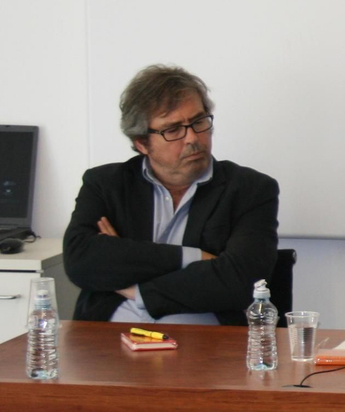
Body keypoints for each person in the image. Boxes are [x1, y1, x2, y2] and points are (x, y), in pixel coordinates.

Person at [63, 65, 279, 325]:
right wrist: (193, 258)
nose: (192, 138)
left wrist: (134, 287)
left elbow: (241, 282)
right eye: (173, 129)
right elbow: (80, 262)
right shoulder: (105, 184)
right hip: (110, 338)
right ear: (142, 143)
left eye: (199, 122)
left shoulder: (250, 189)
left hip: (204, 341)